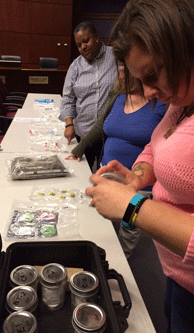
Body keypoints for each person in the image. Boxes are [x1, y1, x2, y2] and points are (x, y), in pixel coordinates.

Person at [85, 0, 194, 332]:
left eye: (152, 75)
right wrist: (138, 176)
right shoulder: (182, 101)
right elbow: (156, 144)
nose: (149, 92)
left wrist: (132, 206)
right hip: (178, 274)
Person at [65, 64, 167, 258]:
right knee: (101, 219)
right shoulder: (118, 97)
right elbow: (100, 125)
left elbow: (160, 146)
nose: (120, 75)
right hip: (108, 170)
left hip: (139, 181)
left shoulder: (162, 104)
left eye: (124, 71)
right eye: (119, 70)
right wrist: (80, 148)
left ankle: (123, 255)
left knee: (129, 224)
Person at [59, 21, 117, 172]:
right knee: (83, 175)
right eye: (79, 45)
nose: (83, 47)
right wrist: (69, 124)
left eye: (86, 41)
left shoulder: (116, 57)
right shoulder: (75, 66)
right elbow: (67, 98)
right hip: (83, 132)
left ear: (96, 37)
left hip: (109, 133)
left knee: (107, 174)